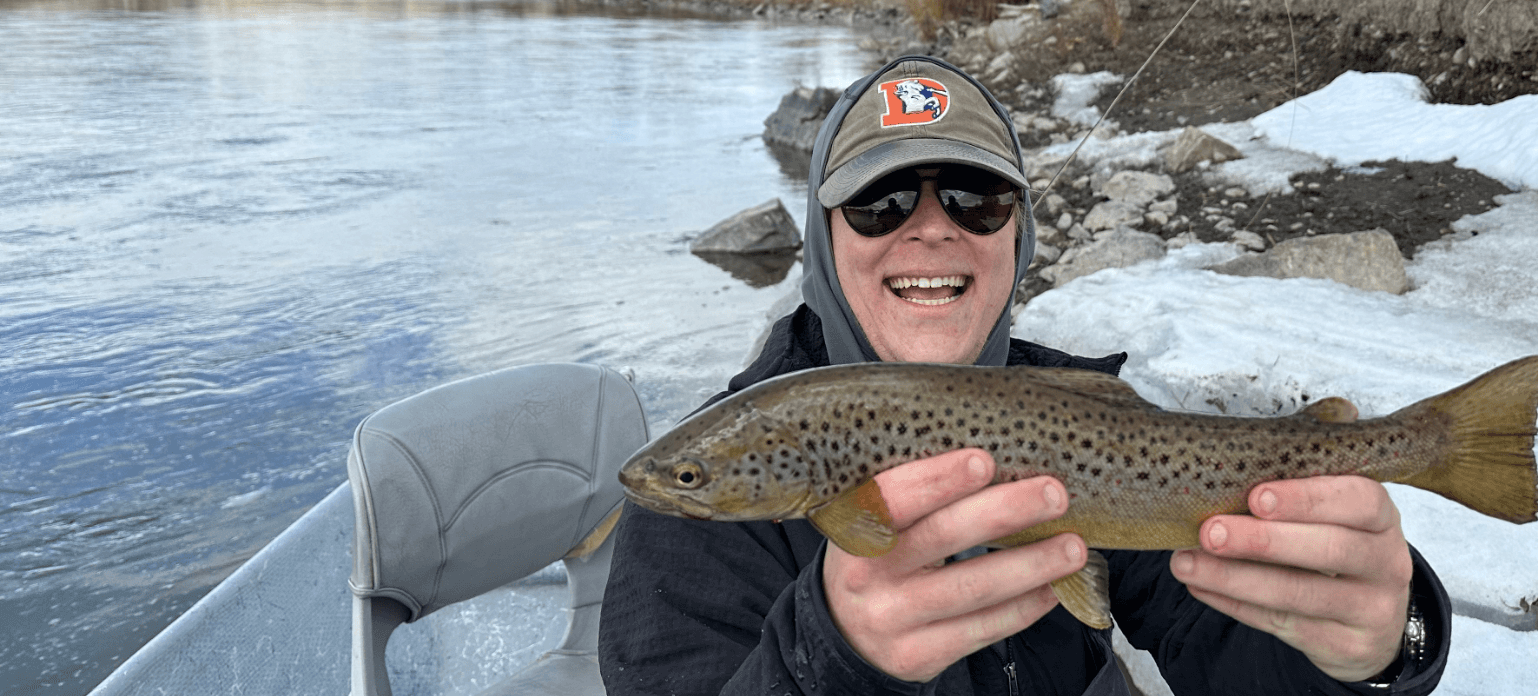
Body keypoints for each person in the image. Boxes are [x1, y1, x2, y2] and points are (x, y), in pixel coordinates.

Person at [599, 56, 1451, 695]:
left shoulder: (1091, 418)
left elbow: (1233, 659)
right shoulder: (694, 504)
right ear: (825, 241)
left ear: (1019, 239)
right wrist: (832, 661)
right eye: (881, 203)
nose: (930, 231)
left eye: (975, 199)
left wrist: (1377, 645)